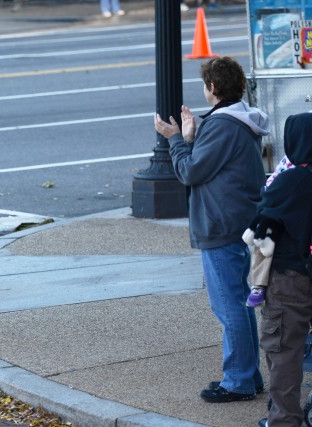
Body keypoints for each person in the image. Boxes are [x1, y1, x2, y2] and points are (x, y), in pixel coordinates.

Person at [154, 56, 268, 403]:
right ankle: (248, 375)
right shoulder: (237, 121)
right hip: (236, 219)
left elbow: (190, 172)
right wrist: (192, 136)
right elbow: (211, 164)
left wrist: (175, 139)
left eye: (205, 85)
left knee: (229, 305)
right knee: (239, 300)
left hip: (220, 223)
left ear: (213, 89)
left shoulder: (222, 126)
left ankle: (238, 381)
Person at [254, 112, 312, 427]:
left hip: (291, 276)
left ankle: (285, 419)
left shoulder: (292, 179)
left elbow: (261, 218)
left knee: (284, 349)